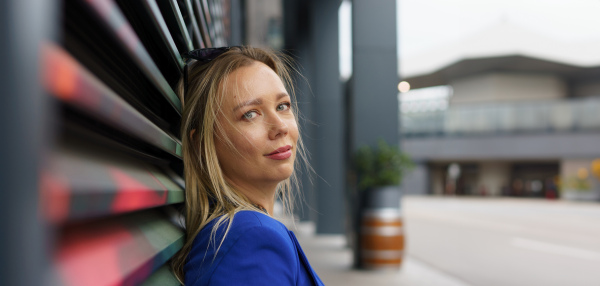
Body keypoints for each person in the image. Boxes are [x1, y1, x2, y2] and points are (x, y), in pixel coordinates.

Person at [171, 46, 324, 286]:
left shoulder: (236, 235)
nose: (280, 127)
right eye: (250, 114)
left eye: (282, 106)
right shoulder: (252, 241)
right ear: (201, 144)